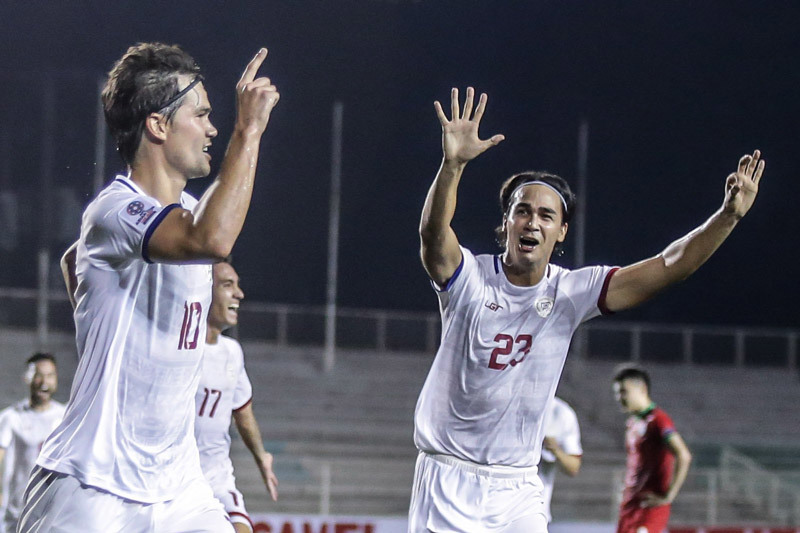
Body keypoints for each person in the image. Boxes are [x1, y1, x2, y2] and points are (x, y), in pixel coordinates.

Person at [409, 86, 764, 532]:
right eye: (522, 211)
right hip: (448, 476)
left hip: (518, 486)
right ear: (505, 224)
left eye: (545, 215)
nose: (532, 221)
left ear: (561, 233)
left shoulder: (572, 292)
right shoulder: (470, 279)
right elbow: (432, 235)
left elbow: (670, 265)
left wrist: (727, 217)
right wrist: (453, 166)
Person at [19, 42, 280, 533]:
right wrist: (250, 129)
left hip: (178, 487)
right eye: (201, 115)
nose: (213, 128)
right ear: (158, 125)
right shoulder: (117, 208)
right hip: (91, 483)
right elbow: (213, 239)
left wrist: (95, 308)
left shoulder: (179, 213)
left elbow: (74, 258)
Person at [195, 261, 279, 533]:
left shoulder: (232, 352)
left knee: (241, 527)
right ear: (203, 291)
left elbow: (243, 413)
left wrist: (261, 457)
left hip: (216, 476)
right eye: (227, 285)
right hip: (170, 475)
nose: (239, 294)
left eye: (238, 285)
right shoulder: (178, 349)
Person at [613, 365, 692, 533]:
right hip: (629, 505)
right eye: (617, 393)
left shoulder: (659, 420)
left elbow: (683, 455)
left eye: (623, 391)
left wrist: (669, 496)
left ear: (641, 388)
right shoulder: (632, 423)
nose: (619, 397)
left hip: (650, 506)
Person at [0, 354, 65, 533]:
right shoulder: (11, 417)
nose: (44, 381)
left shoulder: (67, 418)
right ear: (27, 378)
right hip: (18, 516)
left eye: (50, 375)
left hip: (56, 517)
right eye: (38, 374)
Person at [538, 396, 582, 524]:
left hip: (534, 510)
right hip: (489, 506)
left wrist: (555, 449)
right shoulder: (501, 403)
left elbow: (573, 467)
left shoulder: (560, 412)